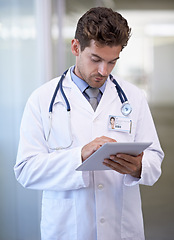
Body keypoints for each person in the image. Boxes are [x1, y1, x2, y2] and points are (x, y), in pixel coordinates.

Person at [14, 7, 164, 240]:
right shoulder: (42, 99)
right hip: (68, 230)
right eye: (96, 59)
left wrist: (139, 167)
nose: (103, 71)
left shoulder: (132, 97)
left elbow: (155, 158)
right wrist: (79, 156)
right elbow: (25, 171)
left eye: (112, 62)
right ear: (76, 47)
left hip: (121, 229)